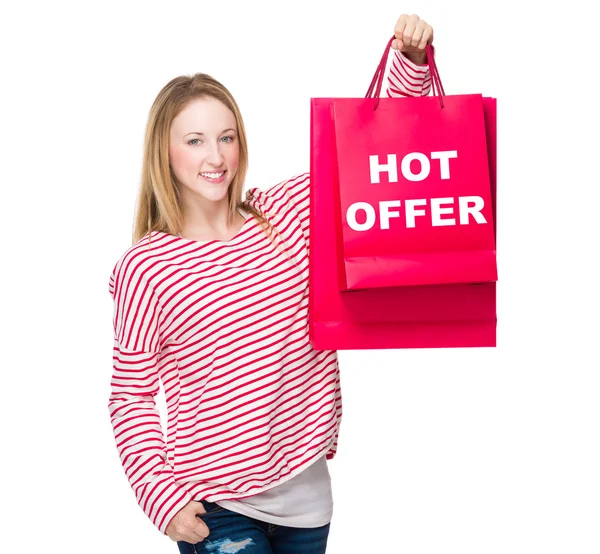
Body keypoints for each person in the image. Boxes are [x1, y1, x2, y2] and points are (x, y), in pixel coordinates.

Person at [107, 13, 435, 554]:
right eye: (195, 141)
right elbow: (131, 395)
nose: (215, 158)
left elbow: (372, 158)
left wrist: (411, 64)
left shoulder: (287, 213)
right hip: (217, 506)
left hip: (307, 501)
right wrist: (157, 494)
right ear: (165, 151)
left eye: (226, 138)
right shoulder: (149, 266)